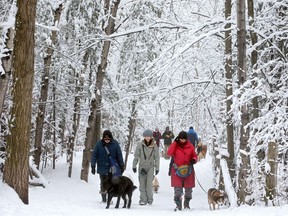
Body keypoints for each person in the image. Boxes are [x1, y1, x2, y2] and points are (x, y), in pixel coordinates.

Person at [90, 130, 125, 203]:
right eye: (105, 139)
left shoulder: (115, 144)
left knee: (111, 183)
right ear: (103, 138)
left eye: (108, 139)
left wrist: (121, 165)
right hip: (102, 166)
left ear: (111, 138)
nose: (107, 140)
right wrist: (93, 165)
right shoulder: (98, 144)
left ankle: (109, 199)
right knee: (103, 183)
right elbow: (94, 155)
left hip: (112, 167)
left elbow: (119, 155)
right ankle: (103, 199)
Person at [167, 131, 198, 210]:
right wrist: (174, 143)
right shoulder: (175, 145)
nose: (182, 141)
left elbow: (194, 156)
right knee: (177, 188)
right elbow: (169, 153)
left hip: (188, 169)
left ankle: (187, 203)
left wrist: (193, 160)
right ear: (178, 138)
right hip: (177, 170)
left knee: (188, 188)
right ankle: (178, 204)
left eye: (184, 139)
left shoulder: (190, 146)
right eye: (181, 139)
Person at [132, 129, 160, 205]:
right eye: (146, 136)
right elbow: (136, 156)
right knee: (142, 184)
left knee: (149, 184)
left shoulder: (155, 146)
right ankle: (143, 199)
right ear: (144, 137)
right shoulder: (140, 145)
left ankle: (150, 199)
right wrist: (134, 165)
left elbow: (157, 157)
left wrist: (157, 168)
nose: (147, 138)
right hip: (142, 166)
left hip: (150, 167)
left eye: (149, 136)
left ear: (151, 137)